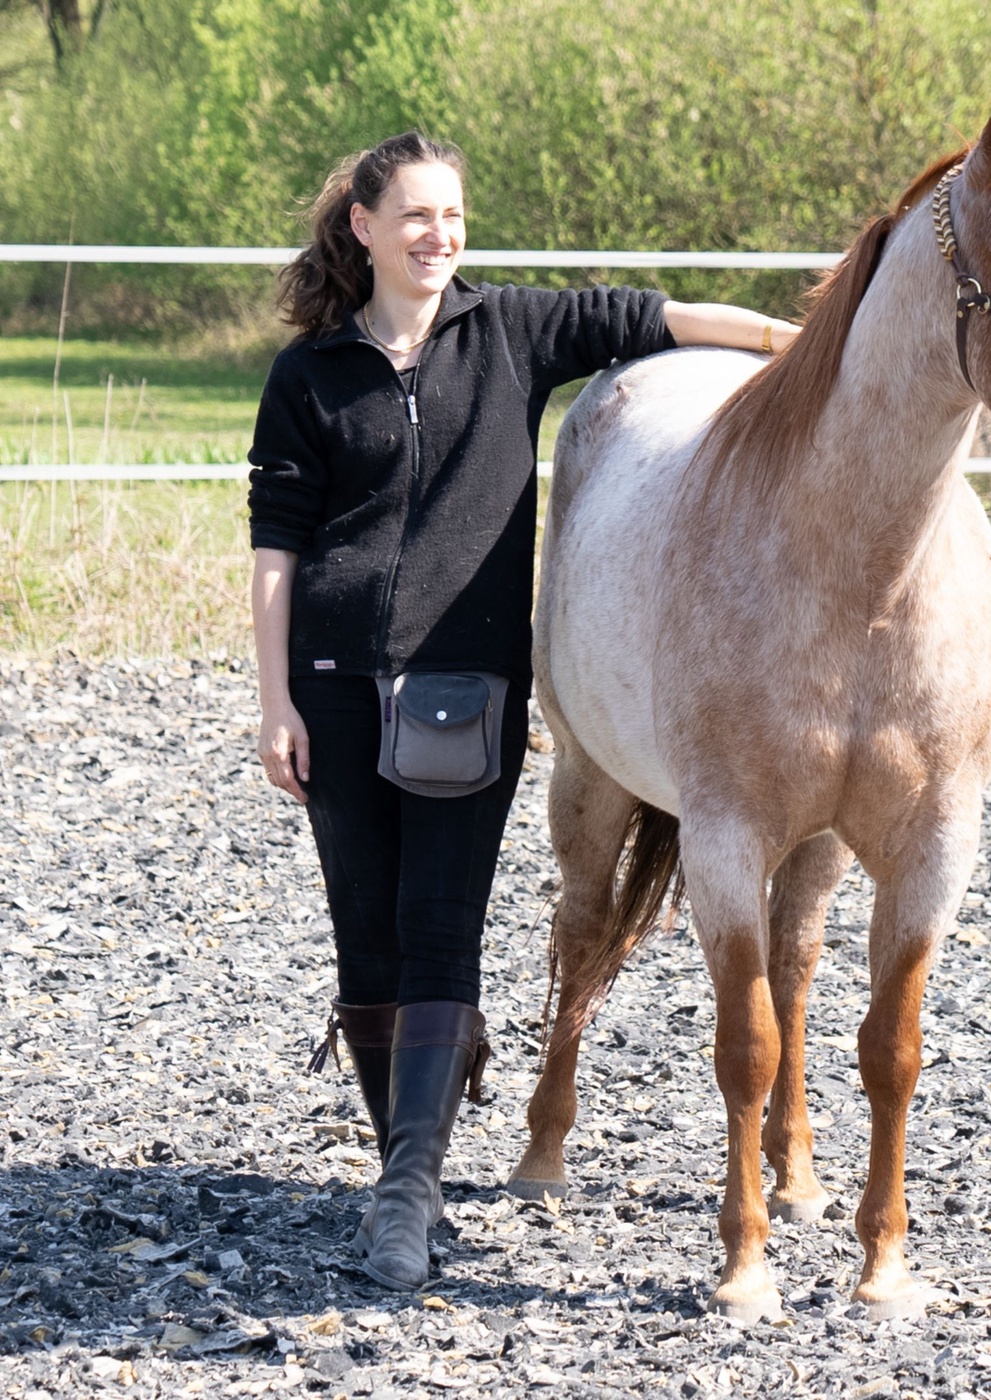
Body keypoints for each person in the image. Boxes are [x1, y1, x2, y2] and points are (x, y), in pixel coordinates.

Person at [247, 130, 799, 1292]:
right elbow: (274, 550)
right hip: (336, 693)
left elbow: (652, 318)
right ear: (361, 225)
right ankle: (407, 1154)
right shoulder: (309, 377)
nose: (437, 234)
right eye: (413, 216)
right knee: (369, 943)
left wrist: (791, 346)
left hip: (464, 695)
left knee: (442, 928)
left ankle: (408, 1190)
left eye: (451, 215)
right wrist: (274, 699)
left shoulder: (510, 332)